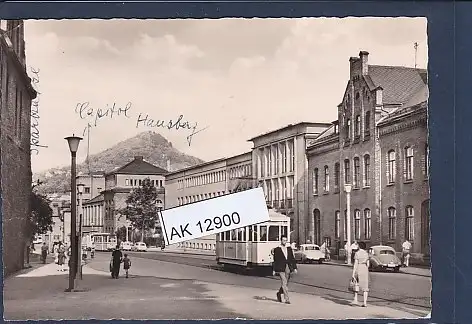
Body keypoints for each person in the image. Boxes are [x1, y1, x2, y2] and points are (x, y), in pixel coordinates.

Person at [271, 236, 298, 304]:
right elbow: (275, 260)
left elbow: (292, 259)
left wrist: (294, 268)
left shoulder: (289, 249)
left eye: (285, 240)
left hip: (287, 267)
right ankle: (287, 299)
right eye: (283, 240)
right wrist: (274, 270)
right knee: (284, 282)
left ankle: (279, 293)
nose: (284, 242)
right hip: (280, 268)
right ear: (281, 241)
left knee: (285, 283)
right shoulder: (277, 249)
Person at [351, 241, 370, 307]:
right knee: (365, 286)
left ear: (359, 246)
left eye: (358, 245)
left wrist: (353, 273)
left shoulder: (357, 253)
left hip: (358, 268)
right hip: (364, 269)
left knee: (356, 284)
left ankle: (355, 299)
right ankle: (365, 303)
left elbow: (355, 264)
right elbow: (368, 264)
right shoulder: (366, 254)